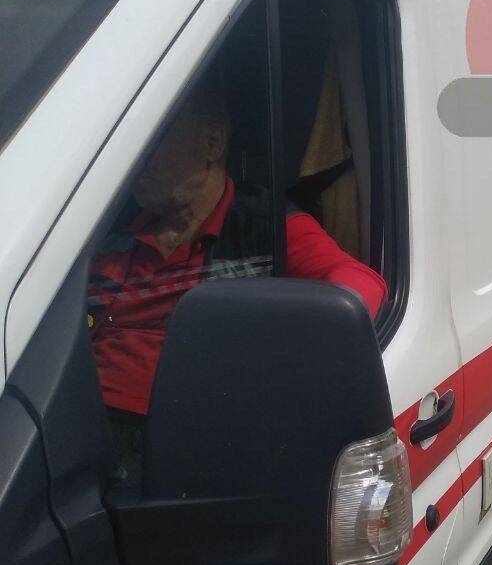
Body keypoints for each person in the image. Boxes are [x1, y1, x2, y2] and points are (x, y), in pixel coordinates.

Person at [89, 77, 388, 421]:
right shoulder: (107, 228)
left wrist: (289, 350)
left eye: (151, 141)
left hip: (188, 430)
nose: (134, 159)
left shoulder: (266, 224)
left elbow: (362, 282)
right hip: (76, 420)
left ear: (213, 144)